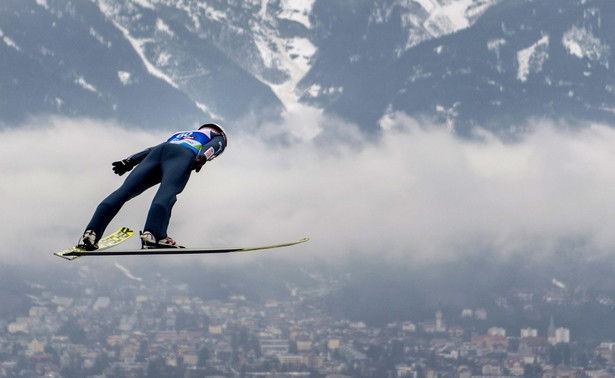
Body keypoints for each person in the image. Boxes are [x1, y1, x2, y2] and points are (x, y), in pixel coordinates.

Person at [78, 123, 227, 250]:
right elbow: (214, 146)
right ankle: (154, 235)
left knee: (123, 192)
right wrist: (203, 157)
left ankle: (91, 233)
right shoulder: (217, 136)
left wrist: (129, 161)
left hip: (158, 152)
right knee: (167, 192)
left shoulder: (181, 134)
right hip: (182, 155)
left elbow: (151, 150)